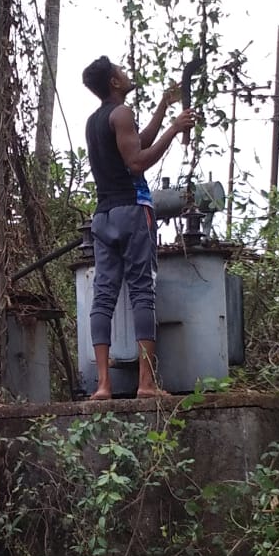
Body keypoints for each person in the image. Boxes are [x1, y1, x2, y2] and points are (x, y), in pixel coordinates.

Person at [80, 55, 195, 399]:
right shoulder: (123, 113)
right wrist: (175, 129)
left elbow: (136, 141)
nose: (125, 72)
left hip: (103, 217)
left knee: (103, 297)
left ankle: (103, 386)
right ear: (114, 82)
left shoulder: (96, 120)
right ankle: (146, 384)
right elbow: (137, 161)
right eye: (120, 69)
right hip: (133, 211)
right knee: (142, 291)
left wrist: (163, 107)